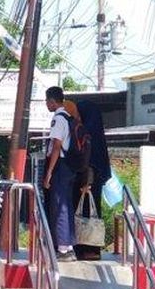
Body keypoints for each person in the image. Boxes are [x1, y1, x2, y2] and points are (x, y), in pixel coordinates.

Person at [74, 100, 112, 260]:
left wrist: (86, 182)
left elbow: (88, 160)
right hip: (95, 182)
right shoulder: (98, 133)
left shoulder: (87, 132)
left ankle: (84, 248)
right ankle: (94, 249)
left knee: (84, 214)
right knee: (95, 212)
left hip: (86, 180)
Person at [43, 86, 76, 262]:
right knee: (66, 204)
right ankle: (68, 246)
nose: (46, 104)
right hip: (69, 166)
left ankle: (63, 249)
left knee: (59, 206)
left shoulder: (58, 119)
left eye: (47, 101)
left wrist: (48, 172)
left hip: (60, 166)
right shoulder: (69, 118)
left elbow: (56, 146)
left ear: (53, 101)